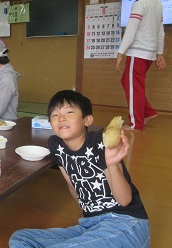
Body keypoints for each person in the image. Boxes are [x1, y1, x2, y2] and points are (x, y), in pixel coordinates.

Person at [9, 90, 149, 248]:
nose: (61, 118)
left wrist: (112, 164)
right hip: (89, 226)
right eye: (55, 115)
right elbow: (72, 184)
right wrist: (86, 214)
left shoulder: (100, 143)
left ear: (87, 120)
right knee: (20, 239)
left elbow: (124, 200)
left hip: (124, 223)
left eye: (69, 112)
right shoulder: (56, 145)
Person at [116, 0, 166, 131]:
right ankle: (147, 111)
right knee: (128, 82)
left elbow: (131, 30)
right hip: (149, 55)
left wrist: (120, 52)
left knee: (134, 87)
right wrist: (159, 54)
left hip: (138, 53)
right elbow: (161, 33)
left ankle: (136, 124)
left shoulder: (140, 3)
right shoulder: (158, 4)